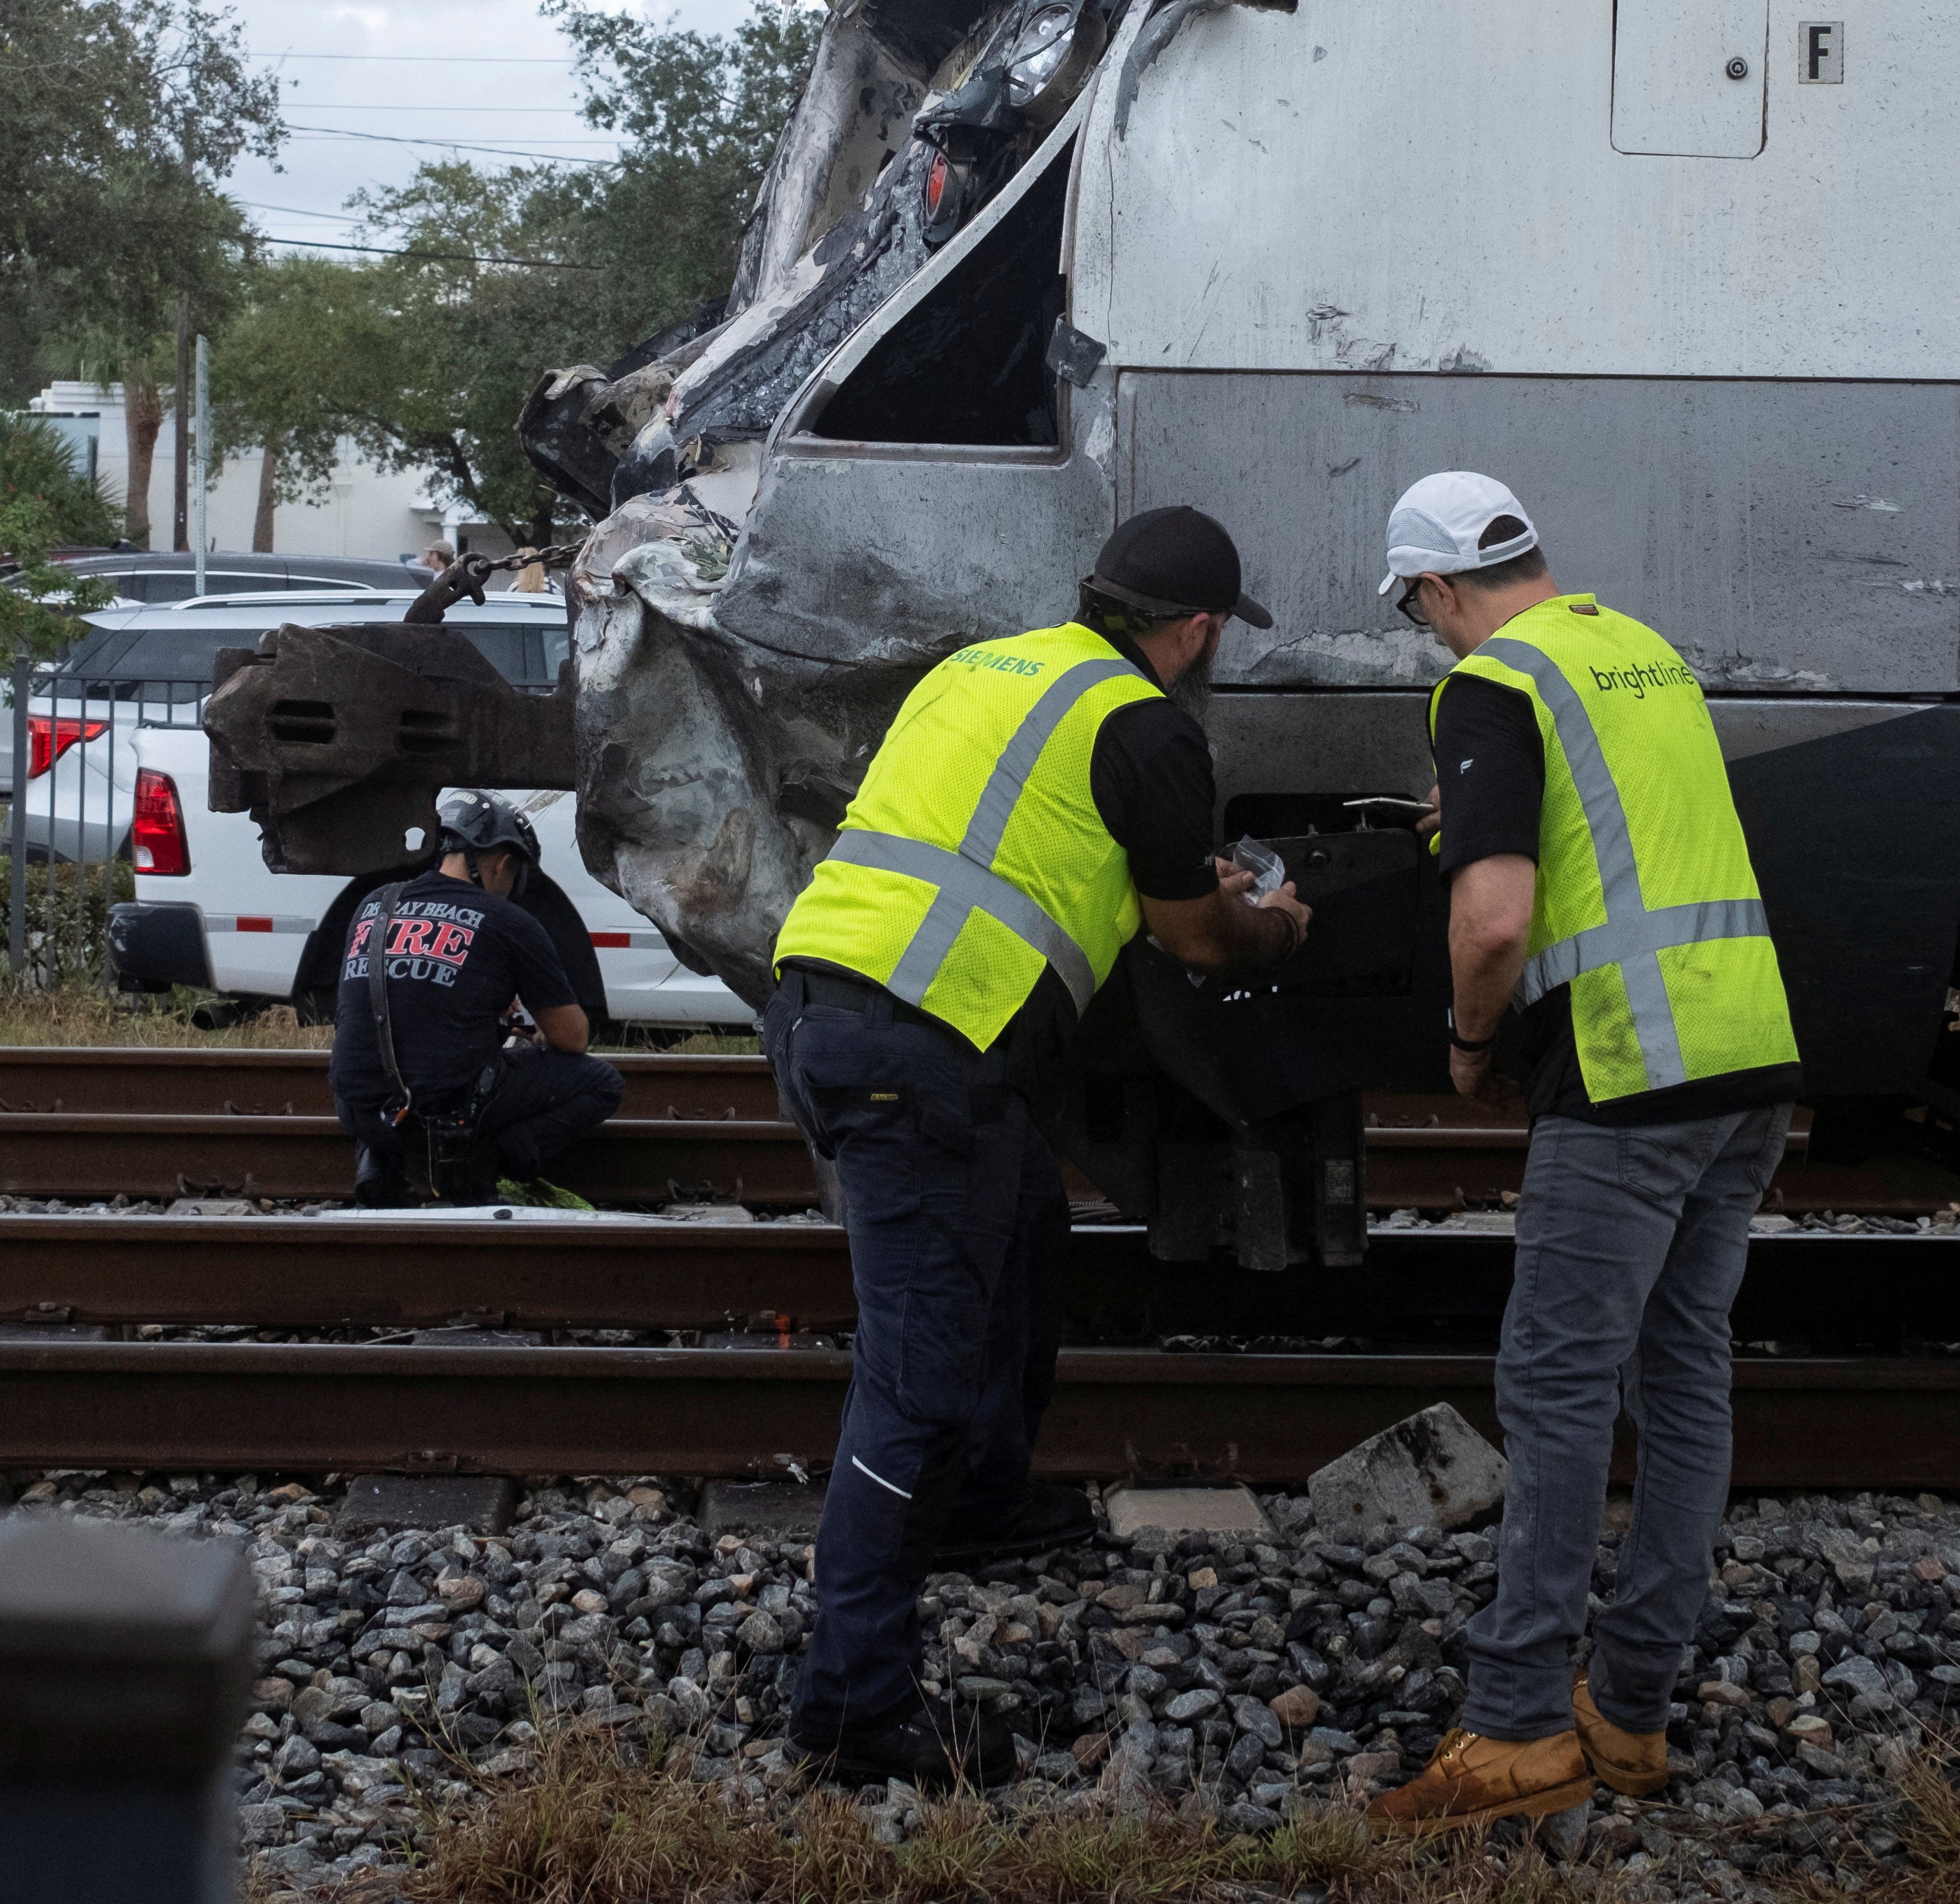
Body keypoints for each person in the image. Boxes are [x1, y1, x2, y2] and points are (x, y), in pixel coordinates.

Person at [764, 506, 1312, 1792]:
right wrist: (1275, 923)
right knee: (916, 1384)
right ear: (1196, 630)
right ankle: (851, 1706)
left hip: (831, 1000)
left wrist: (1171, 880)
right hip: (926, 1051)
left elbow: (1009, 838)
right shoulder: (1149, 724)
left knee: (1022, 1231)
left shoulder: (982, 666)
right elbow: (1196, 943)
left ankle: (982, 1506)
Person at [1362, 472, 1804, 1841]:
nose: (1432, 636)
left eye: (1420, 612)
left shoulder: (1491, 683)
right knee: (1684, 1378)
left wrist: (1469, 1044)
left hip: (1632, 1069)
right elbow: (1630, 838)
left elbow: (1495, 920)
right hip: (1749, 1058)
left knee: (1554, 1390)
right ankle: (1630, 1709)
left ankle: (1514, 1729)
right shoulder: (1636, 648)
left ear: (1438, 590)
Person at [327, 790, 619, 1206]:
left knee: (376, 1056)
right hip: (444, 1113)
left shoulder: (375, 904)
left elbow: (380, 1003)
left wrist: (484, 1012)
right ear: (502, 862)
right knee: (602, 1083)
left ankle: (380, 1161)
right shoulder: (511, 922)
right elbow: (572, 1038)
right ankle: (488, 1163)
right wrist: (530, 1037)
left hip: (357, 1111)